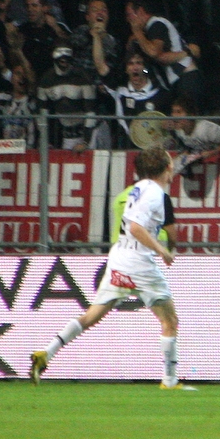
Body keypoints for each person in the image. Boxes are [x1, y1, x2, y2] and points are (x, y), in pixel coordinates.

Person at [30, 147, 195, 390]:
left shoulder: (139, 189)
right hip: (139, 263)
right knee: (170, 320)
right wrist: (162, 250)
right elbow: (136, 227)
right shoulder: (154, 193)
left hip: (119, 258)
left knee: (91, 316)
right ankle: (169, 381)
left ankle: (47, 352)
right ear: (167, 167)